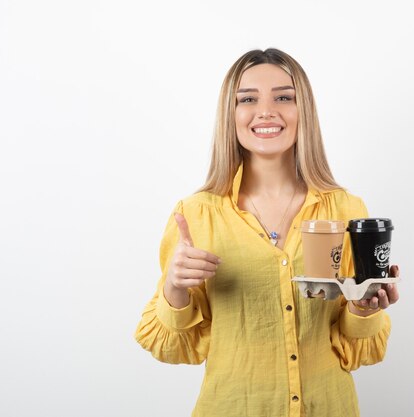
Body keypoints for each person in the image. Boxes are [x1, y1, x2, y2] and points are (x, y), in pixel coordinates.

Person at [134, 48, 400, 417]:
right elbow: (174, 347)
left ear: (302, 109)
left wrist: (364, 307)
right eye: (247, 99)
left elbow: (356, 347)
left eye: (284, 97)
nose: (266, 111)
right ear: (231, 114)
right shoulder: (195, 215)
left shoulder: (346, 211)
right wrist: (175, 289)